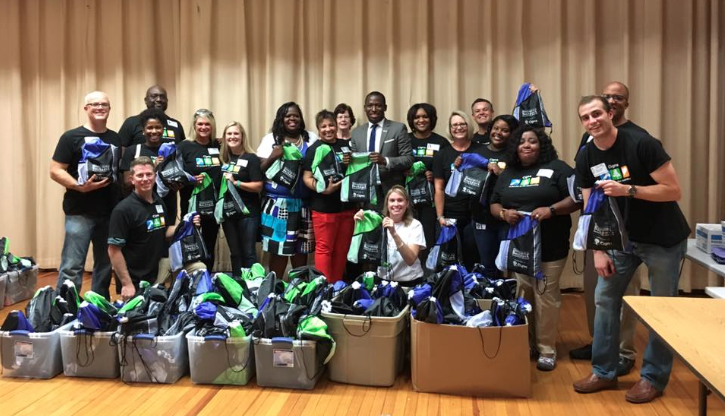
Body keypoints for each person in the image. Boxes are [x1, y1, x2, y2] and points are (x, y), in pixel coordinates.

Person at [572, 95, 690, 403]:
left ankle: (653, 378)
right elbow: (589, 208)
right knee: (605, 299)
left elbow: (673, 190)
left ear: (610, 113)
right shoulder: (585, 157)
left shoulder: (642, 143)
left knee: (661, 309)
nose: (592, 120)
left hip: (662, 239)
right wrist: (597, 249)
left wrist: (629, 190)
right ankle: (603, 371)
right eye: (585, 117)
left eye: (596, 113)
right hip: (619, 242)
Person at [569, 82, 650, 374]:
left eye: (618, 97)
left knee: (627, 293)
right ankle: (600, 344)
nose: (612, 101)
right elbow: (586, 183)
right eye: (608, 96)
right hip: (601, 229)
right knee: (599, 293)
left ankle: (625, 352)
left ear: (624, 104)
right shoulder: (590, 140)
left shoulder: (638, 139)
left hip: (632, 233)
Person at [490, 125, 578, 371]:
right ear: (515, 147)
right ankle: (525, 343)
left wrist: (551, 210)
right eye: (521, 141)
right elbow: (494, 203)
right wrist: (504, 214)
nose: (526, 145)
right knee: (523, 295)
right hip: (519, 246)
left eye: (532, 141)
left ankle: (546, 349)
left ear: (542, 145)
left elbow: (576, 199)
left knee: (545, 297)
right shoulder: (509, 173)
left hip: (550, 247)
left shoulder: (558, 168)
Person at [50, 91, 120, 299]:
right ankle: (64, 308)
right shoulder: (71, 137)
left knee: (105, 265)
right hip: (79, 211)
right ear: (86, 108)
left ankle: (98, 306)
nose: (100, 108)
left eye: (104, 104)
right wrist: (79, 186)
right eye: (95, 104)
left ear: (109, 108)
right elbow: (55, 170)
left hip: (109, 211)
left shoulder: (115, 138)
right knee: (72, 265)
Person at [108, 157, 201, 301]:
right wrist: (127, 284)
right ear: (132, 179)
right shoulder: (123, 210)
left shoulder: (158, 202)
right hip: (136, 278)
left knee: (198, 268)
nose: (145, 179)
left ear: (155, 176)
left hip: (159, 267)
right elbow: (113, 250)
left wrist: (186, 224)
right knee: (140, 319)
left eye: (149, 174)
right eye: (140, 175)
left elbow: (164, 232)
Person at [257, 102, 318, 280]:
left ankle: (298, 288)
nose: (292, 119)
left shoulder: (311, 138)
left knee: (301, 249)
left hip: (304, 203)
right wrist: (273, 156)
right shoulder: (271, 139)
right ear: (281, 119)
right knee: (278, 250)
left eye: (296, 116)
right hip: (277, 203)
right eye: (288, 116)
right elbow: (259, 169)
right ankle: (275, 288)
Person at [302, 110, 355, 282]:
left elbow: (355, 171)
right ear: (318, 129)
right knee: (325, 249)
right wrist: (322, 189)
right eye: (323, 126)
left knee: (342, 250)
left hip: (347, 208)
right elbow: (306, 177)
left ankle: (336, 286)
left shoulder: (346, 146)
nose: (328, 129)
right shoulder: (314, 149)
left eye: (331, 125)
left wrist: (351, 163)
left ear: (336, 125)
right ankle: (323, 289)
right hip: (324, 209)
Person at [432, 111, 486, 271]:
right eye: (455, 125)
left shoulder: (480, 151)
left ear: (468, 126)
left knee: (472, 258)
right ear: (450, 128)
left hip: (475, 215)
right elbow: (439, 188)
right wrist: (440, 216)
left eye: (462, 124)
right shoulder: (442, 154)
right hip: (450, 215)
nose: (459, 127)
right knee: (448, 261)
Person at [472, 114, 520, 278]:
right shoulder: (477, 152)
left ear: (512, 133)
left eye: (505, 130)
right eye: (496, 128)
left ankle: (506, 299)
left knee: (505, 264)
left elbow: (521, 184)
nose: (498, 132)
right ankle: (490, 300)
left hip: (507, 218)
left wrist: (501, 174)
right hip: (481, 216)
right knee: (487, 264)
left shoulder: (516, 155)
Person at [350, 91, 413, 210]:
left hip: (391, 192)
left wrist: (385, 160)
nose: (374, 109)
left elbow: (408, 159)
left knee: (392, 227)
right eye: (370, 105)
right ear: (365, 108)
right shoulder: (356, 133)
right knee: (370, 228)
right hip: (365, 193)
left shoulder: (398, 128)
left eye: (378, 105)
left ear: (385, 107)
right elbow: (355, 165)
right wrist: (349, 160)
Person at [354, 185, 426, 285]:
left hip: (409, 281)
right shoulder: (377, 222)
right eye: (392, 200)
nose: (396, 204)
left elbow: (410, 260)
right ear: (387, 204)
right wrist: (359, 223)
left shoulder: (415, 225)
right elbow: (361, 251)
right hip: (383, 281)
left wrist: (393, 233)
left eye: (400, 200)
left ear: (407, 203)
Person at [118, 108, 179, 225]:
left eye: (158, 127)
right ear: (143, 130)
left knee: (166, 239)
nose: (154, 131)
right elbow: (126, 183)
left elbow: (177, 180)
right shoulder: (133, 151)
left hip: (167, 205)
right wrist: (153, 169)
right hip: (140, 207)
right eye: (150, 128)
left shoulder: (172, 151)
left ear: (163, 129)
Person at [405, 103, 450, 262]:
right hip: (406, 198)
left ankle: (427, 274)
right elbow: (396, 163)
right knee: (407, 234)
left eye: (425, 116)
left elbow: (448, 171)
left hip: (430, 200)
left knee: (428, 235)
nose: (421, 120)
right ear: (411, 120)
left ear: (432, 119)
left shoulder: (441, 142)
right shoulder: (405, 139)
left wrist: (436, 174)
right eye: (417, 117)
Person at [177, 109, 221, 271]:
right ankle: (189, 280)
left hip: (213, 206)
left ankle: (207, 279)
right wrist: (191, 180)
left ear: (212, 126)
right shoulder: (183, 146)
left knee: (209, 243)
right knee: (190, 243)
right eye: (200, 124)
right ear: (194, 126)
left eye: (207, 124)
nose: (203, 127)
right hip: (191, 205)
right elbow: (175, 176)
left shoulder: (218, 146)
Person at [219, 121, 264, 276]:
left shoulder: (251, 158)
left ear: (242, 136)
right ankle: (237, 285)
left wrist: (236, 182)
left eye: (236, 133)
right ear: (224, 137)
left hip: (248, 212)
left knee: (249, 252)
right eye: (229, 134)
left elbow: (258, 186)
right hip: (228, 213)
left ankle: (252, 286)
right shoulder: (222, 158)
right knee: (235, 253)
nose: (232, 137)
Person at [118, 85, 186, 147]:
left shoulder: (176, 125)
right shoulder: (131, 122)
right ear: (146, 100)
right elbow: (121, 150)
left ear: (167, 101)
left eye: (162, 97)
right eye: (154, 96)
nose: (159, 99)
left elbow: (183, 151)